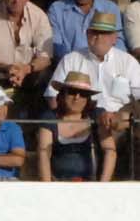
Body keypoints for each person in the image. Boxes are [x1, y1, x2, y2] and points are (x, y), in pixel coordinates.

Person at [45, 11, 139, 142]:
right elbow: (52, 96)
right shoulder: (71, 59)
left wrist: (121, 116)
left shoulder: (128, 62)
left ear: (114, 38)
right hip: (82, 122)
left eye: (104, 33)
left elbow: (139, 99)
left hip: (118, 124)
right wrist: (69, 122)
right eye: (94, 32)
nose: (99, 37)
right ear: (87, 34)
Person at [37, 69, 114, 179]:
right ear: (63, 94)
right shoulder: (49, 117)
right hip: (58, 186)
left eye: (83, 94)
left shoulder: (96, 116)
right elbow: (43, 153)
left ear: (88, 99)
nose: (77, 97)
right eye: (72, 92)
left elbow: (110, 151)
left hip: (91, 186)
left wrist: (103, 185)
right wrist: (47, 188)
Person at [49, 0, 124, 61]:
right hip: (71, 66)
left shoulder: (110, 8)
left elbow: (118, 43)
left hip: (105, 65)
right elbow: (57, 47)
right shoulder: (57, 9)